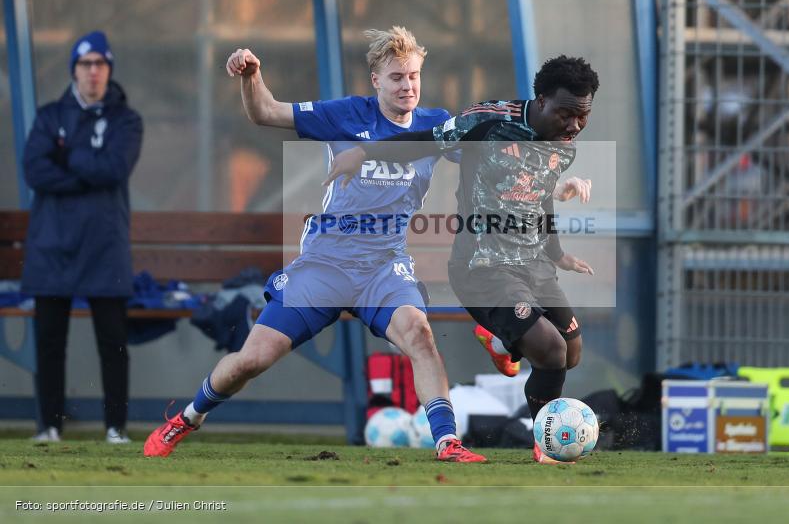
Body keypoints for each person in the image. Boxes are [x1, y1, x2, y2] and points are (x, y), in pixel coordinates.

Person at [143, 26, 487, 462]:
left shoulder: (434, 125)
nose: (408, 86)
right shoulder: (346, 114)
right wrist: (252, 76)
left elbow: (483, 159)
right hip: (325, 264)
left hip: (384, 266)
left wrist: (549, 175)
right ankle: (189, 416)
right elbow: (264, 111)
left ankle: (446, 442)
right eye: (397, 77)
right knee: (253, 359)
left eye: (414, 76)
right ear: (376, 80)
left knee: (419, 336)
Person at [324, 55, 599, 464]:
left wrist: (557, 253)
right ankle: (546, 442)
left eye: (583, 116)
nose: (574, 125)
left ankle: (502, 338)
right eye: (566, 113)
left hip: (533, 265)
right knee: (551, 352)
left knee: (571, 353)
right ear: (541, 100)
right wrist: (363, 153)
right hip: (483, 268)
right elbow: (426, 140)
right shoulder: (486, 121)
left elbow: (539, 195)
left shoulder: (563, 144)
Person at [21, 30, 143, 444]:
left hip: (104, 246)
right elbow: (35, 172)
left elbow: (113, 170)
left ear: (109, 69)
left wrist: (67, 154)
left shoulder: (127, 120)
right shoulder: (49, 116)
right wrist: (86, 171)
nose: (93, 72)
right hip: (52, 244)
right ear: (74, 70)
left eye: (100, 64)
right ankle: (50, 426)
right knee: (50, 341)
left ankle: (115, 428)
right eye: (85, 64)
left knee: (113, 342)